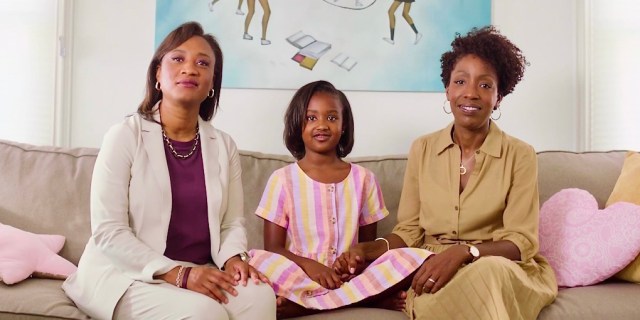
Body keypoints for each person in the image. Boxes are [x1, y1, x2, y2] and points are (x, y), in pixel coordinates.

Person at [337, 26, 558, 319]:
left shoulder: (520, 154)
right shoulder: (423, 148)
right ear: (448, 90)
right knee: (421, 284)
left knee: (489, 274)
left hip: (497, 265)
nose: (470, 93)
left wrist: (467, 252)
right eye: (461, 81)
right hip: (433, 266)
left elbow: (522, 241)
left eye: (485, 85)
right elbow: (410, 231)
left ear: (499, 97)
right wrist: (369, 249)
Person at [62, 21, 276, 320]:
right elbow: (109, 232)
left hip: (201, 273)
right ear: (158, 75)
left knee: (259, 297)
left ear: (212, 82)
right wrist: (180, 274)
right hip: (127, 275)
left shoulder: (224, 145)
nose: (190, 68)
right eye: (178, 59)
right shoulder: (125, 136)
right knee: (204, 313)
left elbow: (231, 224)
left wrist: (234, 259)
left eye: (203, 63)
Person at [247, 80, 432, 318]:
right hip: (299, 275)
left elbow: (368, 248)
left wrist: (354, 264)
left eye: (332, 118)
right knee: (258, 261)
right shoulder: (282, 179)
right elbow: (272, 248)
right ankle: (362, 302)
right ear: (298, 124)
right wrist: (310, 266)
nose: (322, 125)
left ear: (344, 125)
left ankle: (304, 306)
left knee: (409, 257)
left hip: (350, 278)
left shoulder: (364, 179)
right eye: (311, 118)